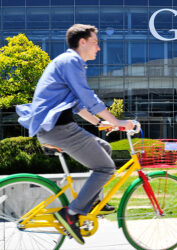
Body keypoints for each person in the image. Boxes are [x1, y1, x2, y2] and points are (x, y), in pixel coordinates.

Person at [16, 24, 133, 245]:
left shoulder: (68, 63)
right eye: (95, 43)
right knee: (106, 168)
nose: (98, 48)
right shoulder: (71, 62)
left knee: (105, 148)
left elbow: (79, 105)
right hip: (58, 129)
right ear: (82, 42)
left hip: (58, 128)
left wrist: (100, 123)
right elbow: (88, 98)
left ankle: (91, 202)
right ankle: (72, 213)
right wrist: (118, 122)